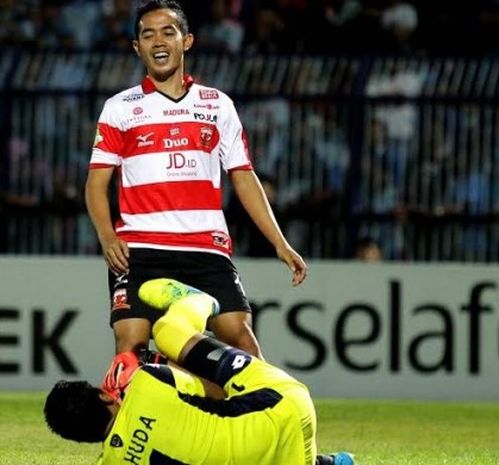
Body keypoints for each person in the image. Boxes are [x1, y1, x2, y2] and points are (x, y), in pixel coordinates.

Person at [85, 0, 307, 362]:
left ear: (186, 41)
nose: (158, 41)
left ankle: (262, 416)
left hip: (205, 247)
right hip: (141, 248)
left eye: (167, 32)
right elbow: (96, 184)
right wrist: (107, 236)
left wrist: (279, 244)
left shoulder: (217, 105)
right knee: (130, 347)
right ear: (137, 47)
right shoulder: (120, 107)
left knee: (244, 345)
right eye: (148, 34)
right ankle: (127, 419)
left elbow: (244, 177)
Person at [44, 278, 355, 465]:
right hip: (287, 404)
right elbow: (217, 390)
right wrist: (154, 362)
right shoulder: (145, 383)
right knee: (167, 331)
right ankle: (195, 303)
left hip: (271, 456)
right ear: (103, 394)